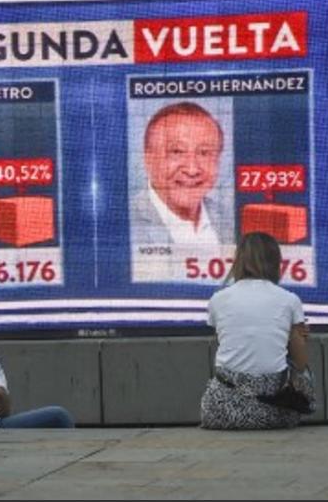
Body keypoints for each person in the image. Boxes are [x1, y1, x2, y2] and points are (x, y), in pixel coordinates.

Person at [200, 232, 314, 430]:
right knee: (303, 372)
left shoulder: (218, 299)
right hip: (275, 413)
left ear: (238, 261)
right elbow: (301, 362)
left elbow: (227, 344)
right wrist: (294, 335)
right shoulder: (289, 299)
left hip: (221, 412)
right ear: (276, 262)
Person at [133, 101, 232, 245]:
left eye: (204, 153)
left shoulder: (229, 219)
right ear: (149, 160)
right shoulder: (124, 222)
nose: (192, 169)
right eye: (177, 152)